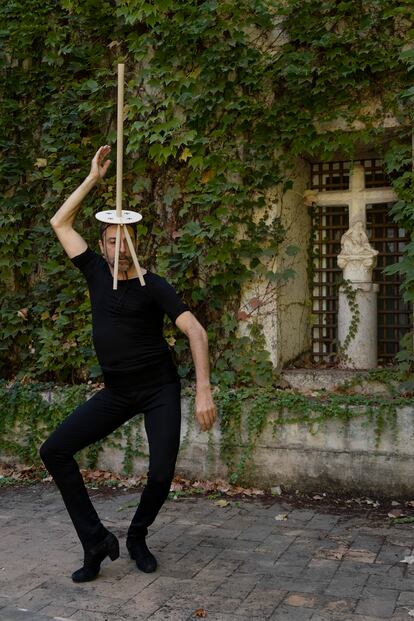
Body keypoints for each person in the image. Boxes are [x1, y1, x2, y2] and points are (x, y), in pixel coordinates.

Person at [39, 145, 216, 583]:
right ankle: (96, 540)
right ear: (102, 246)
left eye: (126, 240)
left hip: (159, 390)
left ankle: (137, 536)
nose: (119, 247)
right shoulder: (95, 273)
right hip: (118, 393)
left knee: (160, 474)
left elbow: (195, 331)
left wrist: (204, 389)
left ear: (136, 244)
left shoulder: (153, 286)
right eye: (112, 240)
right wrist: (93, 180)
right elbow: (59, 222)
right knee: (54, 450)